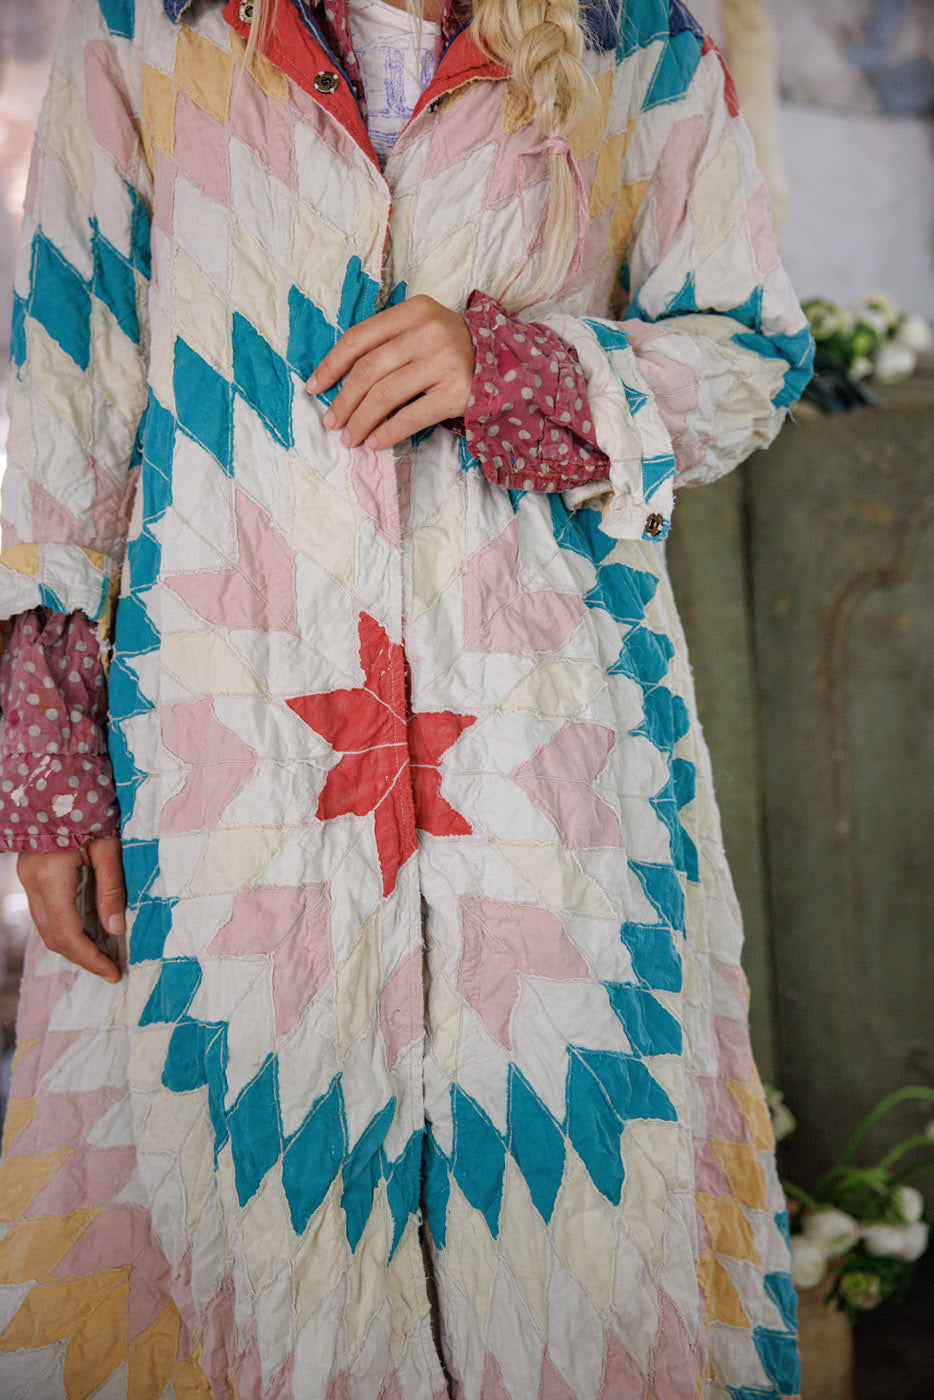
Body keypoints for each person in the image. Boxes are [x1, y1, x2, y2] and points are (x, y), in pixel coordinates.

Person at [0, 0, 814, 1395]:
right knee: (233, 1206)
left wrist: (521, 362)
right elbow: (64, 382)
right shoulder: (146, 32)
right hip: (226, 738)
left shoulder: (634, 40)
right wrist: (47, 749)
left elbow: (750, 352)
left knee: (571, 1220)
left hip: (548, 737)